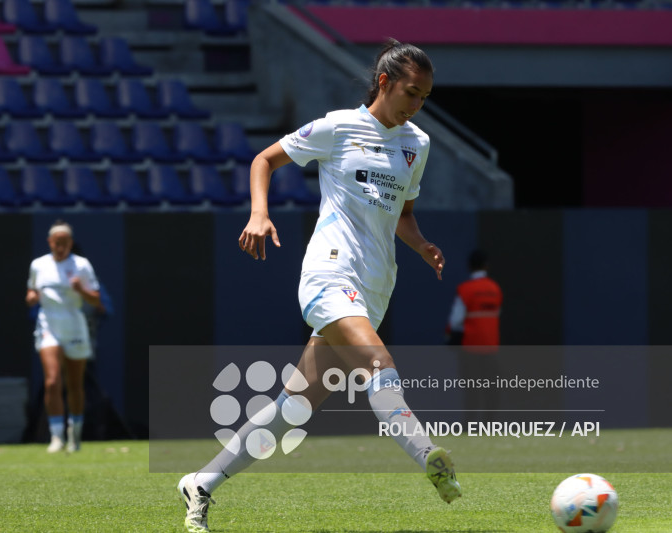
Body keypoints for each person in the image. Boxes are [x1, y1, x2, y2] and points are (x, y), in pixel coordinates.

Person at [177, 39, 461, 532]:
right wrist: (259, 214)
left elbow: (404, 213)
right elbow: (263, 160)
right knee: (379, 364)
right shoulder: (337, 126)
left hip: (375, 286)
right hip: (328, 274)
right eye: (411, 93)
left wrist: (421, 245)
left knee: (293, 409)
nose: (416, 106)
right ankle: (428, 456)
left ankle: (200, 483)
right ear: (384, 83)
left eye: (425, 97)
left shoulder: (418, 144)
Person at [26, 220, 101, 453]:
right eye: (57, 242)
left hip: (74, 327)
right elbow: (32, 290)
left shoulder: (81, 265)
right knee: (52, 381)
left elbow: (96, 300)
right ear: (50, 242)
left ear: (70, 243)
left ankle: (74, 433)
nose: (61, 247)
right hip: (49, 325)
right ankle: (56, 436)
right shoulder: (38, 265)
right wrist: (31, 297)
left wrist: (81, 290)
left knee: (75, 384)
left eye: (65, 242)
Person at [446, 249, 503, 424]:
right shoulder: (495, 289)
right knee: (491, 388)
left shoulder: (465, 289)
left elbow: (456, 320)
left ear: (469, 266)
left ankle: (469, 424)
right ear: (486, 265)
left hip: (470, 348)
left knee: (471, 389)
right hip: (491, 347)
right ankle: (489, 424)